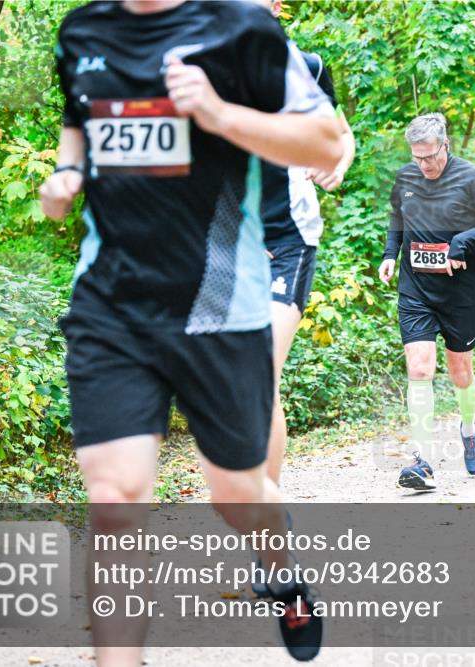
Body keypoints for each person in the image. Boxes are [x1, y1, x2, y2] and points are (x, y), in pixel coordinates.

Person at [40, 1, 342, 662]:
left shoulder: (243, 30)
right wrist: (66, 173)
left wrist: (217, 113)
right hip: (113, 303)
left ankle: (280, 567)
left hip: (225, 296)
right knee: (115, 499)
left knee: (235, 496)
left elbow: (328, 142)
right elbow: (79, 118)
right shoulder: (83, 30)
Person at [378, 113, 475, 490]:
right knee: (419, 369)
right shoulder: (406, 178)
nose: (424, 165)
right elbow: (397, 219)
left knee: (460, 373)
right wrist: (390, 255)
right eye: (417, 157)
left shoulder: (470, 178)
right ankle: (422, 460)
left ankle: (469, 429)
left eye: (430, 156)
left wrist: (461, 243)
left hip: (457, 293)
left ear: (445, 146)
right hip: (415, 290)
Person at [261, 0, 356, 486]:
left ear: (277, 6)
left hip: (287, 240)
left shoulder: (308, 67)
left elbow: (342, 135)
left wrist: (338, 162)